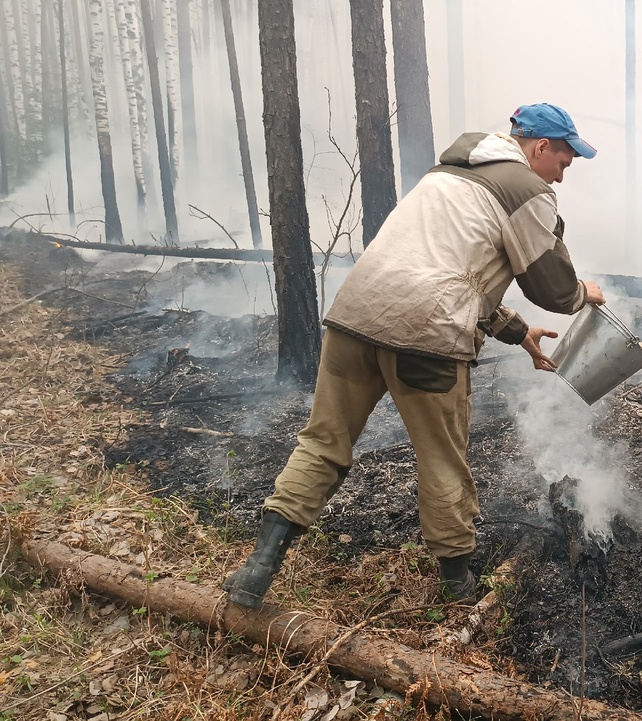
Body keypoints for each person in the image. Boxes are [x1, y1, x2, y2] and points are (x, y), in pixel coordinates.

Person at [222, 103, 606, 608]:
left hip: (354, 318)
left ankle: (257, 569)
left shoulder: (447, 174)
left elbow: (443, 270)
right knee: (442, 460)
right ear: (539, 147)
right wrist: (584, 294)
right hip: (427, 337)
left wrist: (516, 333)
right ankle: (457, 590)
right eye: (564, 160)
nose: (564, 173)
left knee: (322, 443)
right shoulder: (529, 191)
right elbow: (553, 288)